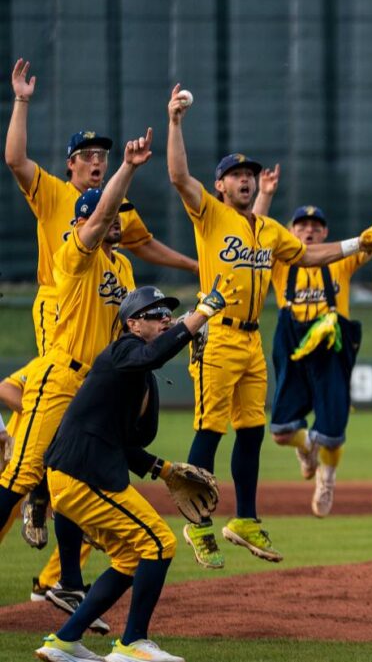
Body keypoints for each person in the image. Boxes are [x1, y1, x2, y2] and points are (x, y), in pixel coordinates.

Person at [165, 84, 372, 568]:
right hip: (215, 333)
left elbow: (307, 255)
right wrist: (175, 121)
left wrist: (358, 242)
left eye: (249, 175)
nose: (245, 180)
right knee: (210, 430)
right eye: (236, 175)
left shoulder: (268, 229)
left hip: (252, 339)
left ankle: (246, 518)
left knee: (253, 431)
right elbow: (178, 174)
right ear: (220, 186)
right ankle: (198, 524)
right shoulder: (211, 215)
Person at [6, 59, 197, 561]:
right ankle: (29, 462)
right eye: (88, 154)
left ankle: (61, 578)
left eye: (102, 155)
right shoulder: (57, 197)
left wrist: (198, 267)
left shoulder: (118, 241)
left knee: (85, 448)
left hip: (94, 327)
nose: (97, 160)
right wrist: (22, 101)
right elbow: (15, 159)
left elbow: (146, 244)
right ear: (71, 163)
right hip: (60, 300)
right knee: (45, 402)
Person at [0, 129, 153, 637]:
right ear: (85, 219)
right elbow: (99, 219)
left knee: (72, 479)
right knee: (19, 477)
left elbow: (136, 326)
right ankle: (43, 518)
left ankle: (66, 580)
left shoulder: (124, 266)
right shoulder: (74, 251)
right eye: (108, 215)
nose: (116, 221)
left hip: (93, 388)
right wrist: (127, 168)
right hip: (58, 376)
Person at [34, 282, 230, 662]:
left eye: (168, 313)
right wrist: (200, 314)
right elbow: (153, 355)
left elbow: (122, 442)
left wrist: (165, 469)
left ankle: (65, 641)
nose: (165, 319)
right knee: (160, 543)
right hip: (82, 473)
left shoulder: (134, 375)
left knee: (130, 558)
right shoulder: (124, 351)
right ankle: (132, 643)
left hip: (82, 471)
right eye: (156, 314)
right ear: (132, 324)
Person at [251, 166, 372, 517]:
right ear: (289, 232)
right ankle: (306, 448)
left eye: (316, 227)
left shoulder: (339, 262)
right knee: (283, 430)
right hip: (293, 342)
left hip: (331, 345)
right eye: (302, 226)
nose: (309, 231)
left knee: (331, 431)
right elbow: (251, 233)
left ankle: (327, 479)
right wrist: (266, 194)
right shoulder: (278, 261)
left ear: (326, 232)